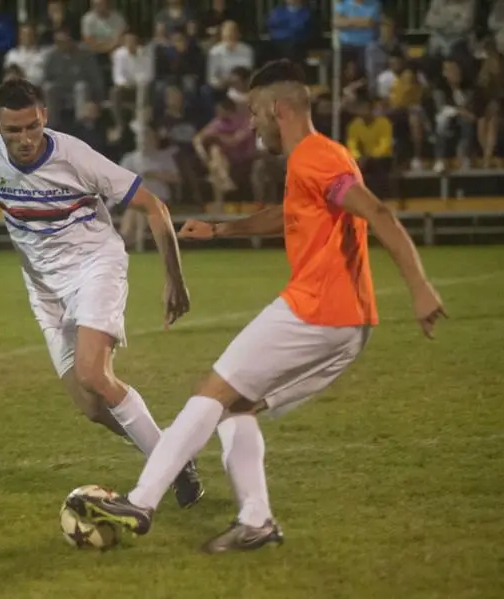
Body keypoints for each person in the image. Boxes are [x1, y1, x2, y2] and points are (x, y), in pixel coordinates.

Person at [68, 60, 446, 553]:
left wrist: (419, 286)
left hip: (316, 310)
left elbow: (376, 211)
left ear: (278, 109)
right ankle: (256, 520)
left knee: (213, 391)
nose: (251, 123)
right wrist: (220, 229)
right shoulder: (315, 159)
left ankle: (141, 501)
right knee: (236, 408)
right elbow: (287, 215)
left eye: (254, 113)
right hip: (348, 325)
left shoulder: (316, 156)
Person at [0, 78, 204, 508]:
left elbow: (154, 207)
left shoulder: (75, 156)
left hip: (95, 268)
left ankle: (168, 467)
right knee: (91, 406)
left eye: (32, 126)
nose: (25, 139)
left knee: (95, 375)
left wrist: (175, 279)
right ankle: (172, 456)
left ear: (45, 118)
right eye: (13, 130)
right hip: (44, 290)